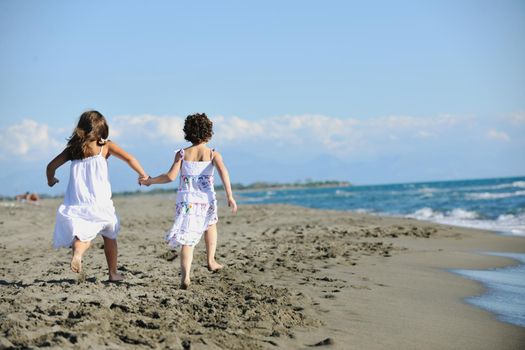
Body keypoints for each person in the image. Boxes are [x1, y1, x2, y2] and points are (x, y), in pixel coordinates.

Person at [46, 110, 148, 281]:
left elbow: (51, 166)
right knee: (109, 235)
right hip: (100, 202)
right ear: (101, 130)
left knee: (82, 234)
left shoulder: (73, 150)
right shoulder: (104, 146)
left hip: (77, 201)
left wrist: (51, 180)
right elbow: (129, 158)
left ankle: (78, 253)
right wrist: (142, 174)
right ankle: (113, 273)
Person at [140, 113, 237, 289]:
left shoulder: (182, 153)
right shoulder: (213, 154)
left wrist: (150, 180)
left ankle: (185, 277)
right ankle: (211, 260)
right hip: (206, 199)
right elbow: (224, 173)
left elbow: (170, 177)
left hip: (185, 201)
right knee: (210, 225)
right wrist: (229, 195)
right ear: (209, 133)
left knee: (187, 238)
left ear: (187, 133)